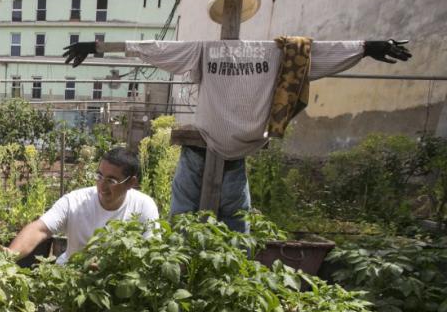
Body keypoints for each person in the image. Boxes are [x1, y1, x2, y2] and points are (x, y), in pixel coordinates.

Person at [62, 38, 411, 232]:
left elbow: (318, 53)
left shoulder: (276, 53)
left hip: (222, 156)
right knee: (224, 231)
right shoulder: (235, 51)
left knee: (201, 228)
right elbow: (153, 47)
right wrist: (97, 47)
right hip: (220, 153)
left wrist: (365, 47)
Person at [8, 147, 159, 264]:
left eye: (111, 181)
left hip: (117, 283)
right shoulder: (75, 201)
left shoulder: (143, 206)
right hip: (71, 275)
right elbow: (40, 229)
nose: (102, 186)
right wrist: (7, 257)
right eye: (99, 176)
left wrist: (109, 267)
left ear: (131, 183)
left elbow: (151, 251)